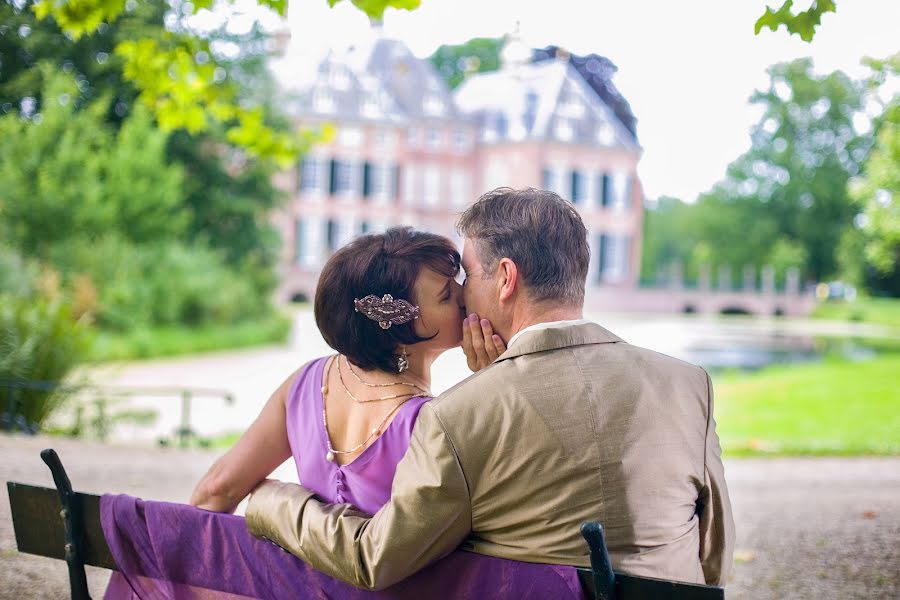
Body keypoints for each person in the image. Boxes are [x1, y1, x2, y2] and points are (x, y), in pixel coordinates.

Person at [245, 187, 736, 590]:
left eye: (468, 276)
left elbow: (377, 558)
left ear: (505, 278)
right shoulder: (688, 384)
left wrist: (270, 501)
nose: (462, 295)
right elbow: (713, 549)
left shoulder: (457, 415)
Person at [186, 225, 582, 597]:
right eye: (446, 295)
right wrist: (492, 386)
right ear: (396, 327)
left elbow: (218, 487)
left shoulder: (305, 383)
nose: (465, 296)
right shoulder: (434, 423)